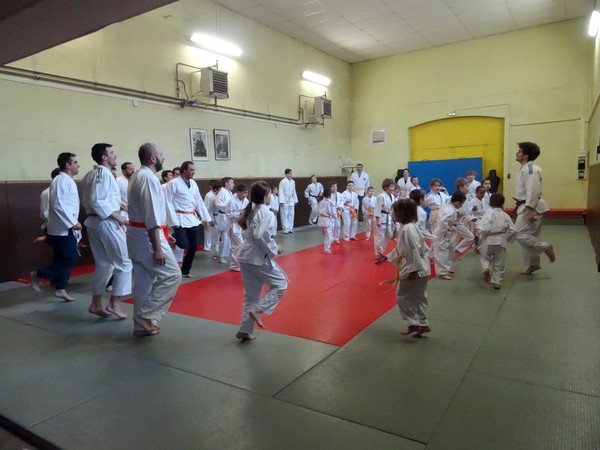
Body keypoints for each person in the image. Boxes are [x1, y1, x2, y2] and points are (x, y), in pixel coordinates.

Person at [127, 143, 182, 337]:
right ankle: (146, 315)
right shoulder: (148, 178)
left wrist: (166, 235)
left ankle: (141, 327)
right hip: (147, 237)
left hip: (138, 235)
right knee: (173, 275)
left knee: (143, 282)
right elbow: (150, 215)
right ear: (153, 158)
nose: (163, 157)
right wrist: (158, 246)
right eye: (161, 154)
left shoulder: (137, 175)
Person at [81, 143, 132, 319]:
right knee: (124, 264)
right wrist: (117, 216)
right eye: (111, 153)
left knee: (104, 264)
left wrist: (117, 204)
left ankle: (96, 304)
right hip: (107, 223)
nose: (115, 156)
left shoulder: (91, 174)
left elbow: (96, 198)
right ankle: (114, 304)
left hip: (95, 222)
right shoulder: (103, 173)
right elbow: (97, 200)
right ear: (104, 157)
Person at [235, 181, 287, 341]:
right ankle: (258, 310)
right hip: (257, 257)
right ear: (265, 197)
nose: (271, 197)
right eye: (270, 194)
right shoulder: (266, 213)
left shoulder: (250, 210)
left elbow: (255, 235)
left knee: (251, 296)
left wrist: (271, 247)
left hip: (245, 257)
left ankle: (245, 329)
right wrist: (274, 249)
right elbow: (260, 236)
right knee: (281, 284)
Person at [376, 199, 431, 336]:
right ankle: (423, 324)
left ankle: (412, 323)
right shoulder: (409, 227)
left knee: (402, 296)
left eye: (394, 212)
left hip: (415, 268)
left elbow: (412, 250)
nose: (393, 214)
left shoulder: (407, 229)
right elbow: (401, 249)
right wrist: (387, 257)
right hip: (422, 267)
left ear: (402, 213)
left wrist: (413, 269)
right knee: (419, 297)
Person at [31, 152, 81, 301]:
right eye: (75, 162)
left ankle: (60, 288)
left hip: (65, 228)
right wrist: (73, 222)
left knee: (64, 259)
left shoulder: (67, 180)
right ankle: (39, 274)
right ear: (68, 165)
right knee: (70, 258)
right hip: (61, 230)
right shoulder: (60, 180)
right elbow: (58, 205)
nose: (78, 165)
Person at [165, 161, 213, 277]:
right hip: (179, 217)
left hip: (191, 218)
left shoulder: (193, 183)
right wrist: (173, 221)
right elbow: (168, 202)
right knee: (182, 244)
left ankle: (185, 270)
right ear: (184, 170)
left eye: (193, 170)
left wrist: (207, 218)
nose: (193, 172)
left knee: (193, 246)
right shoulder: (173, 183)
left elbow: (199, 202)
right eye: (191, 170)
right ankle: (170, 243)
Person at [513, 141, 555, 275]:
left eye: (519, 151)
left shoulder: (530, 170)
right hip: (525, 205)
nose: (517, 153)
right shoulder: (525, 169)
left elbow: (533, 190)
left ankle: (545, 247)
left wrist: (531, 209)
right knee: (530, 236)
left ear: (525, 155)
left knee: (519, 234)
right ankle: (533, 264)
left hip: (530, 206)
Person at [476, 193, 515, 289]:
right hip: (501, 241)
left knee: (485, 257)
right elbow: (514, 230)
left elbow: (483, 229)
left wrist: (482, 239)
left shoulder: (488, 214)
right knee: (499, 262)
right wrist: (507, 239)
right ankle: (497, 282)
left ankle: (486, 268)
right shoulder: (505, 216)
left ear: (489, 204)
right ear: (503, 204)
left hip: (489, 239)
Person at [432, 191, 466, 280]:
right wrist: (448, 228)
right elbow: (442, 221)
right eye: (461, 204)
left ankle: (447, 267)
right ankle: (442, 272)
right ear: (457, 202)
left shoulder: (449, 204)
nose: (461, 206)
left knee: (449, 250)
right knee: (441, 253)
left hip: (444, 233)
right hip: (441, 233)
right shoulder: (450, 210)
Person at [226, 183, 249, 271]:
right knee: (240, 245)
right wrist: (239, 215)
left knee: (236, 247)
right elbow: (228, 214)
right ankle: (238, 265)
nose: (245, 195)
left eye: (246, 193)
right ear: (238, 192)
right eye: (244, 193)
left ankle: (235, 265)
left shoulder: (245, 200)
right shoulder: (232, 201)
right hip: (233, 226)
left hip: (242, 226)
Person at [213, 176, 234, 264]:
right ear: (226, 183)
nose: (233, 184)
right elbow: (217, 204)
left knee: (228, 236)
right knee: (223, 236)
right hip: (223, 215)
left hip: (228, 216)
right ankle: (220, 255)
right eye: (232, 182)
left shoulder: (229, 192)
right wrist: (227, 208)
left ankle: (223, 254)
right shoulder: (222, 192)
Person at [373, 178, 396, 258]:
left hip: (388, 217)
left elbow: (392, 208)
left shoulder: (392, 196)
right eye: (391, 187)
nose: (393, 189)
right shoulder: (381, 196)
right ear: (386, 188)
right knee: (379, 236)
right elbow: (377, 208)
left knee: (388, 235)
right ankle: (379, 253)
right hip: (381, 218)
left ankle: (382, 251)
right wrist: (378, 220)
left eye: (393, 187)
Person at [317, 188, 336, 254]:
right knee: (328, 236)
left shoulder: (321, 202)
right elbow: (333, 212)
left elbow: (318, 211)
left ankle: (327, 247)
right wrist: (335, 217)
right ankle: (327, 249)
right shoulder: (330, 202)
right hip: (327, 220)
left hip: (321, 220)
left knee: (327, 235)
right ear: (330, 195)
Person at [278, 169, 298, 233]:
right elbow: (280, 191)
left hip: (291, 199)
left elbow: (294, 191)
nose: (290, 175)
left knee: (291, 214)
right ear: (286, 174)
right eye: (289, 173)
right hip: (285, 199)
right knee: (284, 214)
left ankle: (290, 228)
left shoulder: (293, 182)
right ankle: (286, 228)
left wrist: (295, 200)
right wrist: (281, 201)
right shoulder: (283, 181)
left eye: (291, 173)